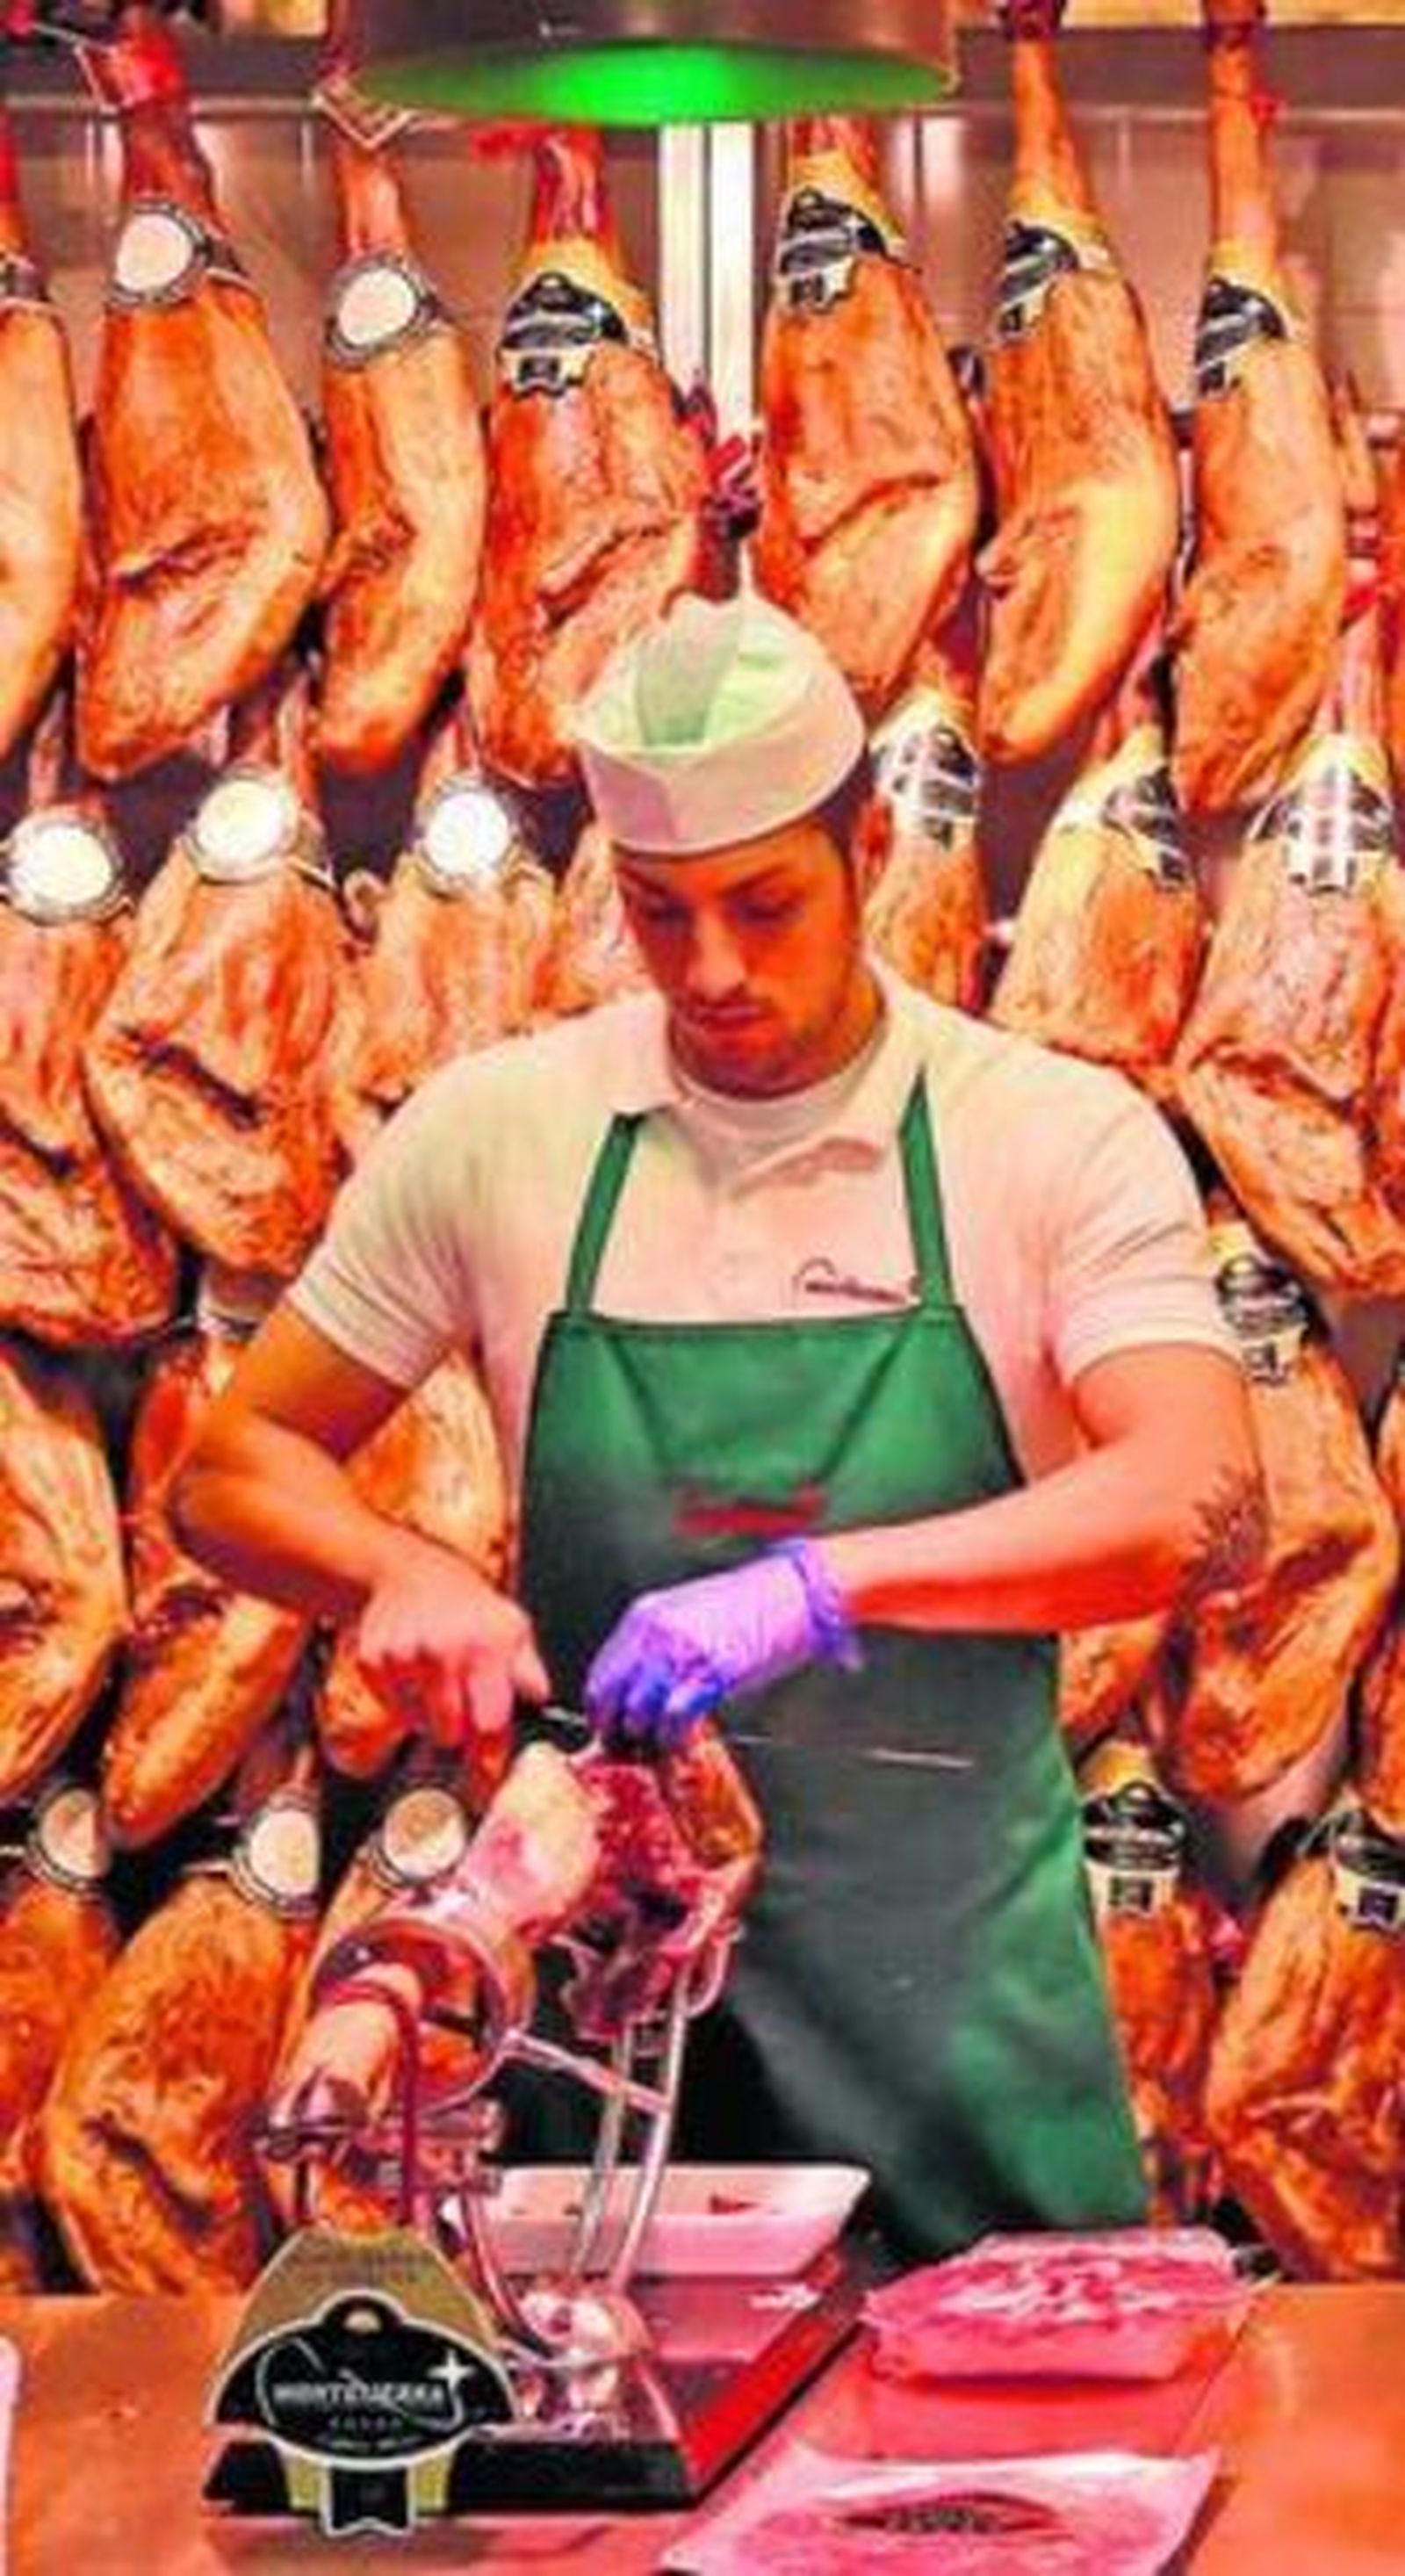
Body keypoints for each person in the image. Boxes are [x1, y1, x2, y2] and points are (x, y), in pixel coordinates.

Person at [175, 592, 1263, 2257]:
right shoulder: (501, 1133)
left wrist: (822, 1586)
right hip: (605, 2044)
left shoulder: (1047, 1137)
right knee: (601, 2416)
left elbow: (1200, 1494)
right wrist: (396, 1570)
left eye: (766, 903)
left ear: (870, 848)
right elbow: (231, 1469)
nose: (715, 969)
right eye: (659, 911)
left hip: (959, 2030)